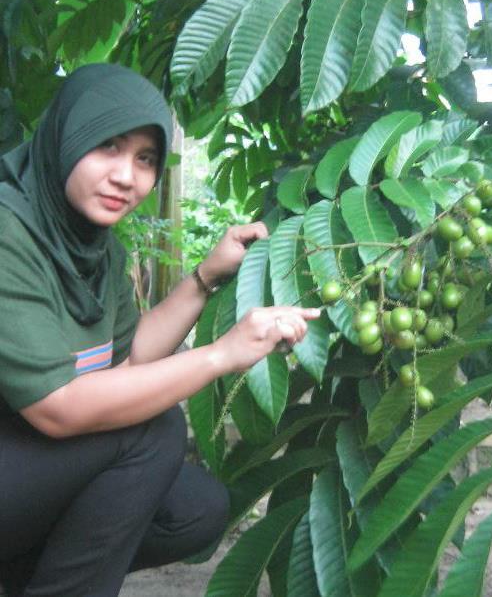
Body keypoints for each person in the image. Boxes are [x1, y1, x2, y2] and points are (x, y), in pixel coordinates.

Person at [0, 63, 319, 597]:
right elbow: (59, 407)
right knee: (154, 431)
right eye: (108, 147)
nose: (127, 175)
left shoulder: (95, 247)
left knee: (195, 510)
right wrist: (221, 354)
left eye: (145, 159)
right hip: (23, 444)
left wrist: (204, 279)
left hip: (20, 467)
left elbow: (126, 362)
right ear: (65, 138)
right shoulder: (11, 232)